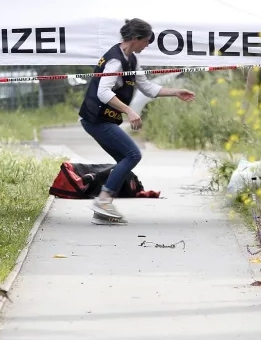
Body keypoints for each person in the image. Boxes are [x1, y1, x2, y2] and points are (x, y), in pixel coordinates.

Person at [78, 18, 196, 221]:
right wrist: (129, 111)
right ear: (135, 38)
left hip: (102, 119)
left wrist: (175, 92)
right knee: (133, 155)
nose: (148, 45)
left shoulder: (131, 59)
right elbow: (103, 92)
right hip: (96, 119)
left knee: (125, 160)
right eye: (147, 41)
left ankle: (102, 210)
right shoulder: (115, 60)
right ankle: (103, 200)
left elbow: (147, 87)